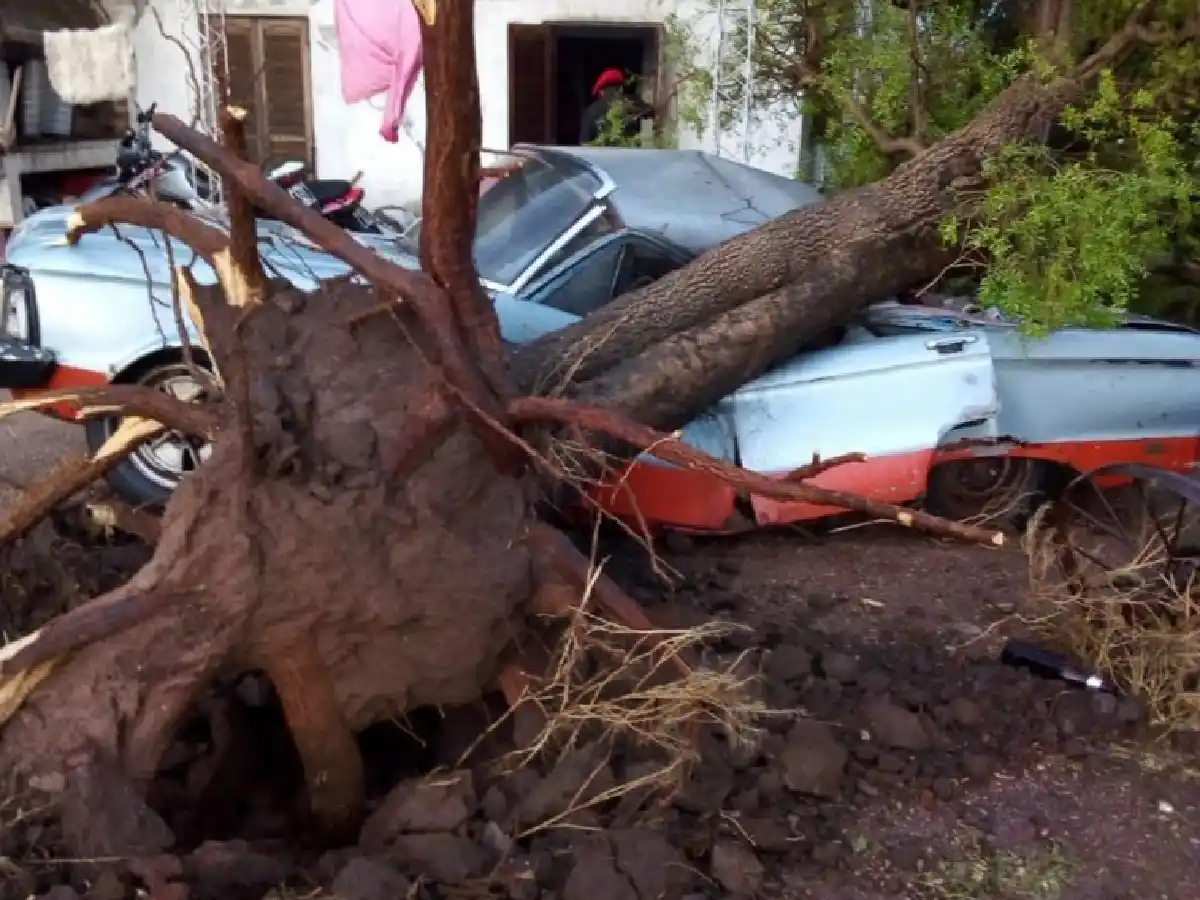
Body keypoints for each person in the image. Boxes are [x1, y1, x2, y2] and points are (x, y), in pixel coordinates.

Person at [579, 68, 654, 146]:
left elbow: (584, 143)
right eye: (616, 88)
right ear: (603, 91)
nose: (619, 91)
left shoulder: (629, 107)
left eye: (619, 88)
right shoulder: (593, 112)